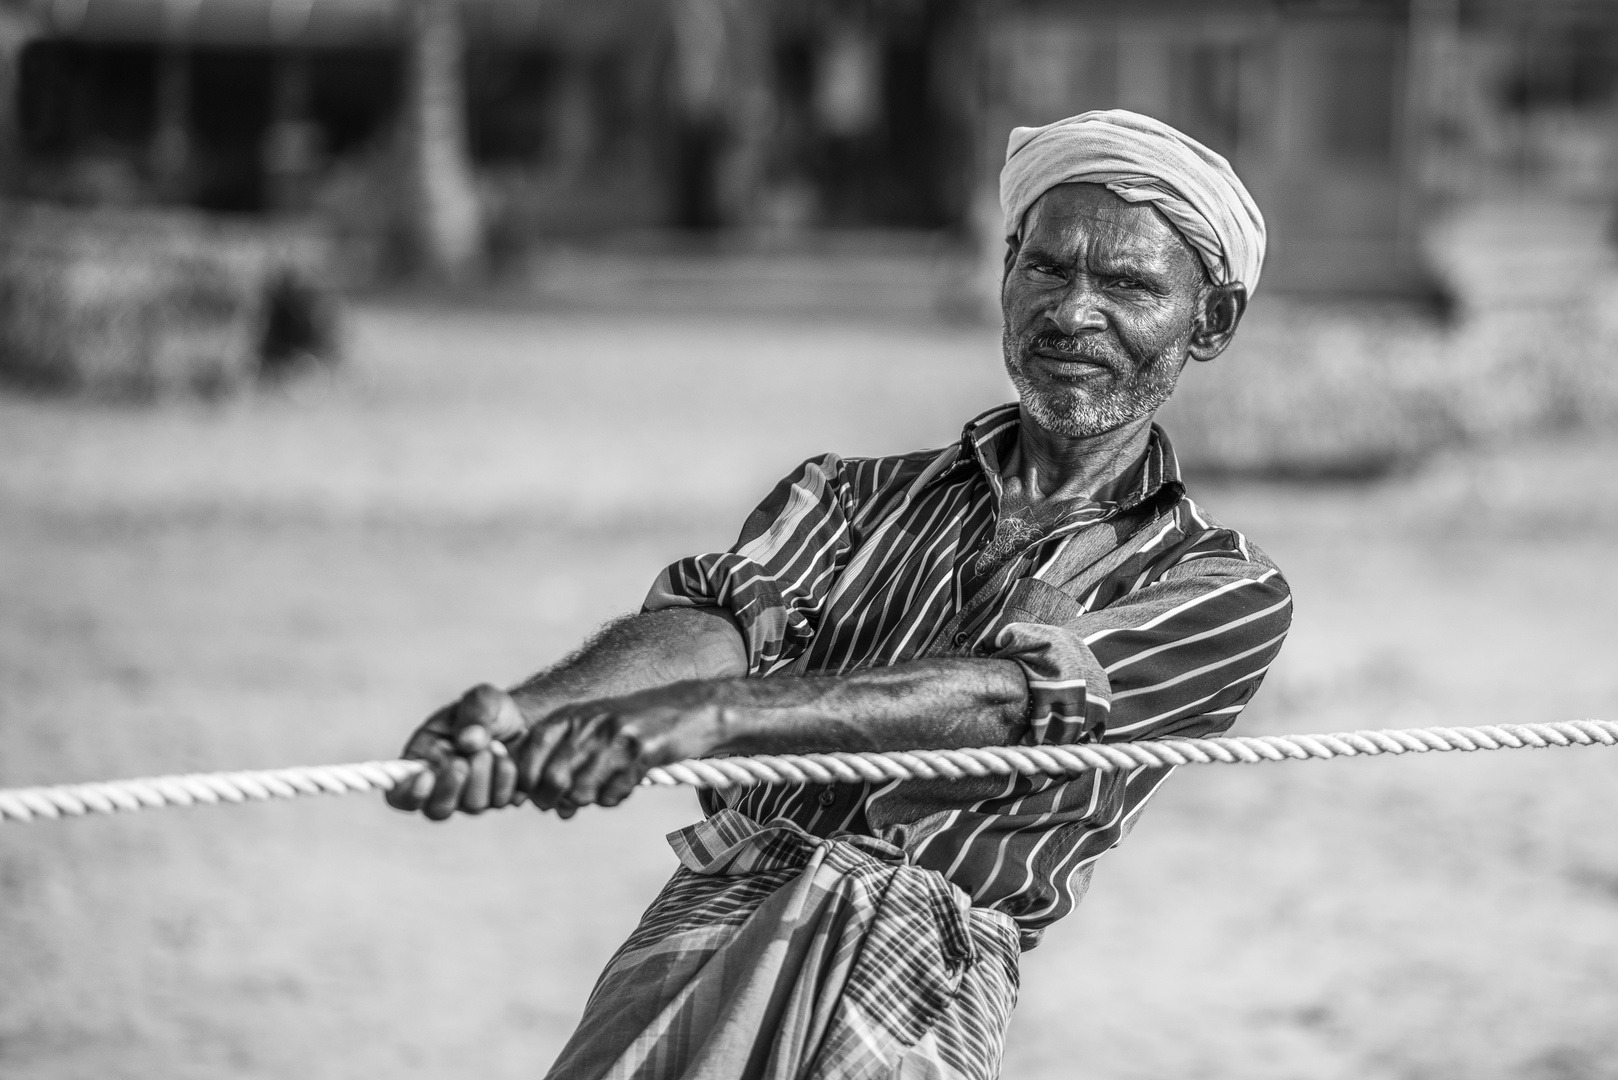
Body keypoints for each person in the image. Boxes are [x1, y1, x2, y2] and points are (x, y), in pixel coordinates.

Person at [387, 109, 1293, 1080]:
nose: (1072, 312)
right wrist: (529, 713)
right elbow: (724, 619)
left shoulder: (1220, 588)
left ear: (1212, 321)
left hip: (924, 971)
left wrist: (705, 722)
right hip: (717, 912)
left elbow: (1013, 701)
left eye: (1126, 284)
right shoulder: (848, 493)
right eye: (1046, 268)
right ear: (1004, 273)